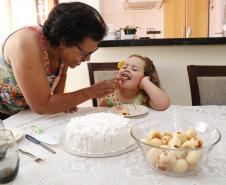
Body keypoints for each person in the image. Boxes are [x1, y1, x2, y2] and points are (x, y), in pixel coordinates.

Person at [0, 2, 118, 120]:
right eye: (83, 53)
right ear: (64, 40)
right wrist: (91, 92)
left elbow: (61, 75)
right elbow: (42, 106)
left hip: (23, 115)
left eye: (90, 53)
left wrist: (63, 102)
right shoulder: (26, 43)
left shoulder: (61, 50)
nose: (87, 59)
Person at [99, 54, 170, 111]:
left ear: (144, 77)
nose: (127, 70)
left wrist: (146, 82)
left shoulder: (145, 97)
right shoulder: (110, 95)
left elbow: (163, 105)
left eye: (134, 69)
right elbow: (100, 114)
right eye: (124, 67)